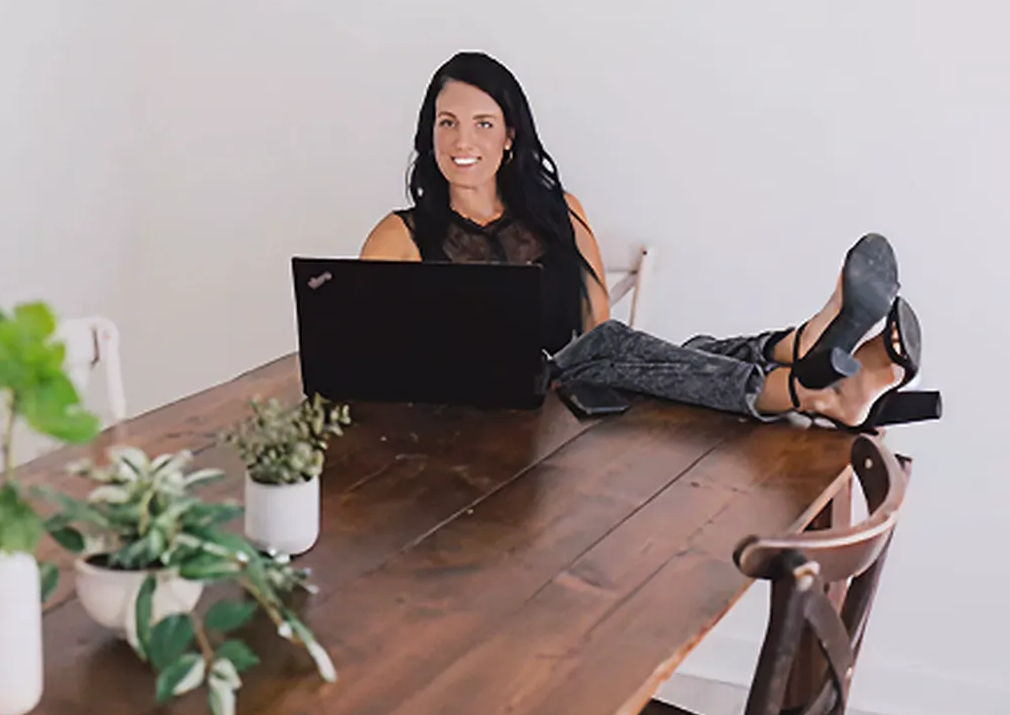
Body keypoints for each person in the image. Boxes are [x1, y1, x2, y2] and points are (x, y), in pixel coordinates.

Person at [361, 51, 940, 433]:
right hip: (470, 421)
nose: (462, 140)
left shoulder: (561, 213)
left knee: (648, 348)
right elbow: (369, 370)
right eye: (447, 122)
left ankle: (809, 364)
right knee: (615, 350)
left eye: (482, 123)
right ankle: (807, 376)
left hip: (565, 418)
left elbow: (601, 333)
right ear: (429, 132)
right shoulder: (400, 235)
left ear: (510, 136)